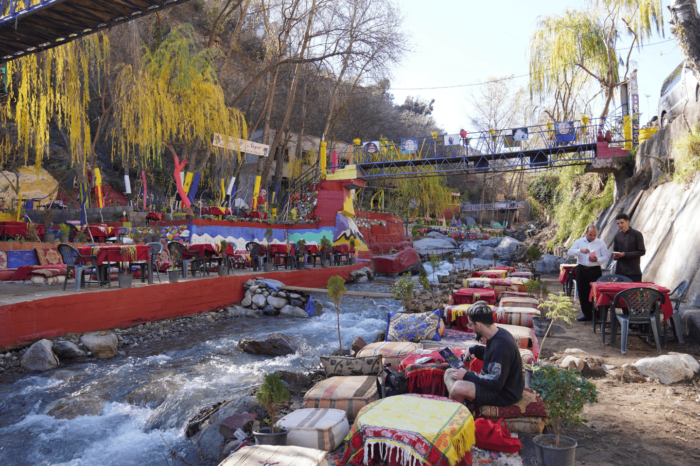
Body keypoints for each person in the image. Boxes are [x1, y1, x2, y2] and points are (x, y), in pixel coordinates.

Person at [444, 301, 524, 407]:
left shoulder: (501, 346)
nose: (470, 328)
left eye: (470, 324)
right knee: (449, 373)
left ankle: (462, 414)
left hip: (504, 394)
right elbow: (489, 353)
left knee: (458, 388)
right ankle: (464, 405)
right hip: (495, 383)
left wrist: (467, 375)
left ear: (479, 324)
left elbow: (496, 383)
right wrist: (472, 350)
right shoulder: (497, 333)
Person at [567, 225, 611, 322]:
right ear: (586, 232)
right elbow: (569, 252)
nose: (592, 237)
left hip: (595, 270)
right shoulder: (579, 242)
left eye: (594, 235)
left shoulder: (601, 243)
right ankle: (587, 314)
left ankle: (598, 315)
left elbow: (606, 256)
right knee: (583, 292)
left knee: (596, 293)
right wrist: (580, 251)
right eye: (590, 235)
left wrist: (597, 260)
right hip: (582, 269)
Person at [612, 213, 645, 282]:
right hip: (620, 272)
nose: (620, 225)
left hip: (634, 272)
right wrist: (616, 256)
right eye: (618, 223)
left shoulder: (637, 234)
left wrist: (625, 254)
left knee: (635, 292)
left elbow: (642, 251)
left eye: (622, 222)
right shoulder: (617, 236)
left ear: (627, 221)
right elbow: (615, 251)